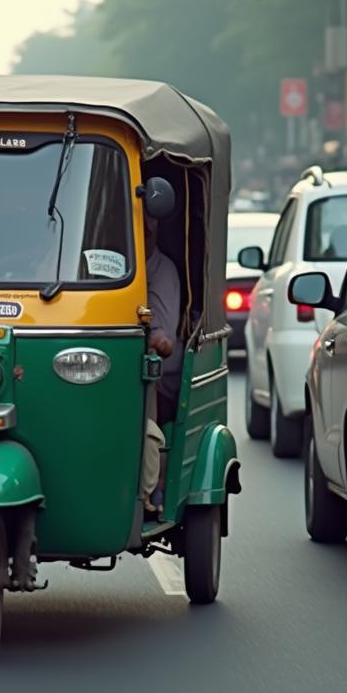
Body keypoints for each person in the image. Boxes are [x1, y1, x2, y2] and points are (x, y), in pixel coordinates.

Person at [142, 211, 182, 516]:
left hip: (161, 379)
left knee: (147, 373)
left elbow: (162, 340)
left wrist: (155, 339)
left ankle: (148, 487)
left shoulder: (160, 270)